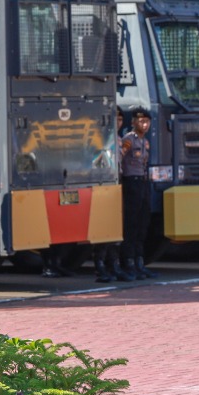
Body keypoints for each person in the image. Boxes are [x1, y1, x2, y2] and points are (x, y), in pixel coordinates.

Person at [118, 107, 153, 280]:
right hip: (131, 182)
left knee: (143, 223)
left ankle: (140, 262)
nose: (144, 124)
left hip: (143, 183)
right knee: (131, 224)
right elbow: (119, 158)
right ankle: (129, 262)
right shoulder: (128, 141)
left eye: (147, 121)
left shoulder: (145, 142)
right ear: (133, 122)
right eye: (141, 121)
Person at [92, 108, 125, 284]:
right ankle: (100, 267)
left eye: (120, 119)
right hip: (103, 186)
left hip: (118, 184)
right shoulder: (99, 140)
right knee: (103, 230)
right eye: (115, 119)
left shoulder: (120, 139)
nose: (118, 122)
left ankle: (114, 266)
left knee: (116, 228)